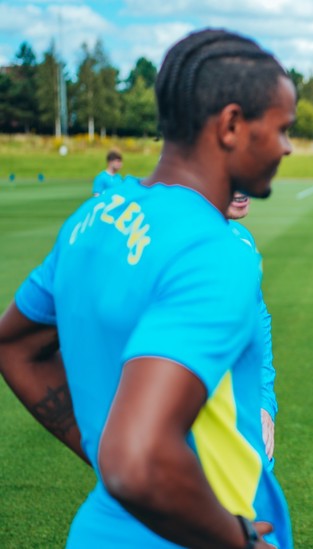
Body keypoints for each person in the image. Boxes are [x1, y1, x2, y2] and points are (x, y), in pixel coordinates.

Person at [0, 29, 296, 548]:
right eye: (282, 129)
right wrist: (237, 539)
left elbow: (15, 344)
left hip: (100, 530)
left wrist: (105, 456)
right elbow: (136, 459)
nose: (287, 148)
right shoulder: (216, 251)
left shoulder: (94, 218)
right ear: (230, 125)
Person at [227, 192, 278, 469]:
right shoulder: (165, 243)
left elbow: (258, 321)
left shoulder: (242, 237)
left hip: (247, 415)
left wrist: (263, 400)